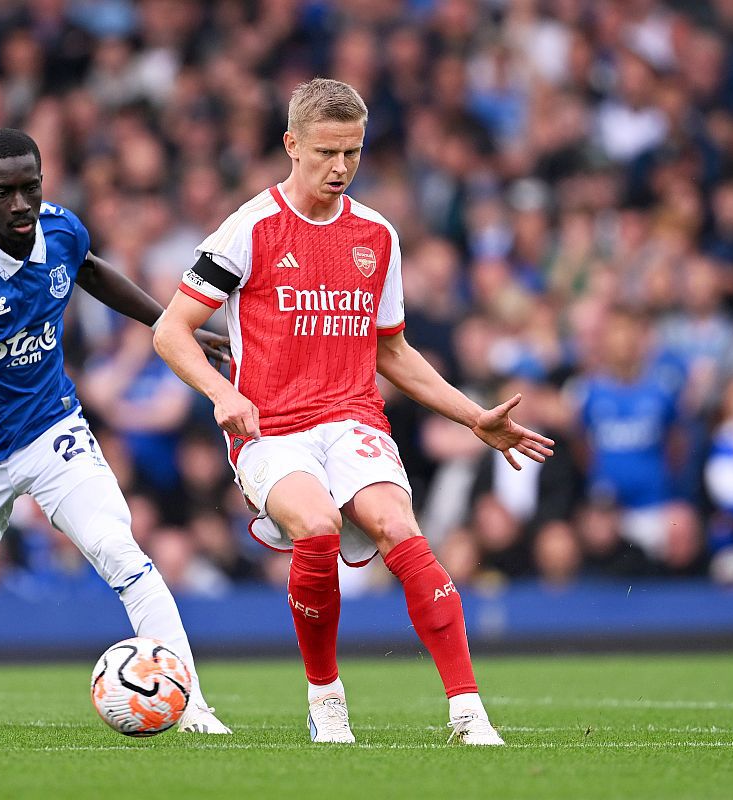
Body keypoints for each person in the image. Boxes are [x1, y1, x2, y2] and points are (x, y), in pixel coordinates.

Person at [153, 79, 553, 745]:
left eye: (353, 153)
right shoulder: (249, 229)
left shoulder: (377, 235)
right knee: (316, 528)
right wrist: (225, 394)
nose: (340, 168)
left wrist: (472, 415)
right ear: (291, 145)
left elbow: (391, 351)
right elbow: (171, 331)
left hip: (353, 417)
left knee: (399, 526)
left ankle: (467, 712)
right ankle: (326, 698)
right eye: (326, 152)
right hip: (272, 427)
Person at [0, 128, 231, 734]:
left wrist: (175, 326)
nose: (20, 205)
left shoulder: (61, 228)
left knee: (122, 552)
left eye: (30, 189)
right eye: (3, 193)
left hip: (51, 430)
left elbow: (91, 271)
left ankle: (193, 704)